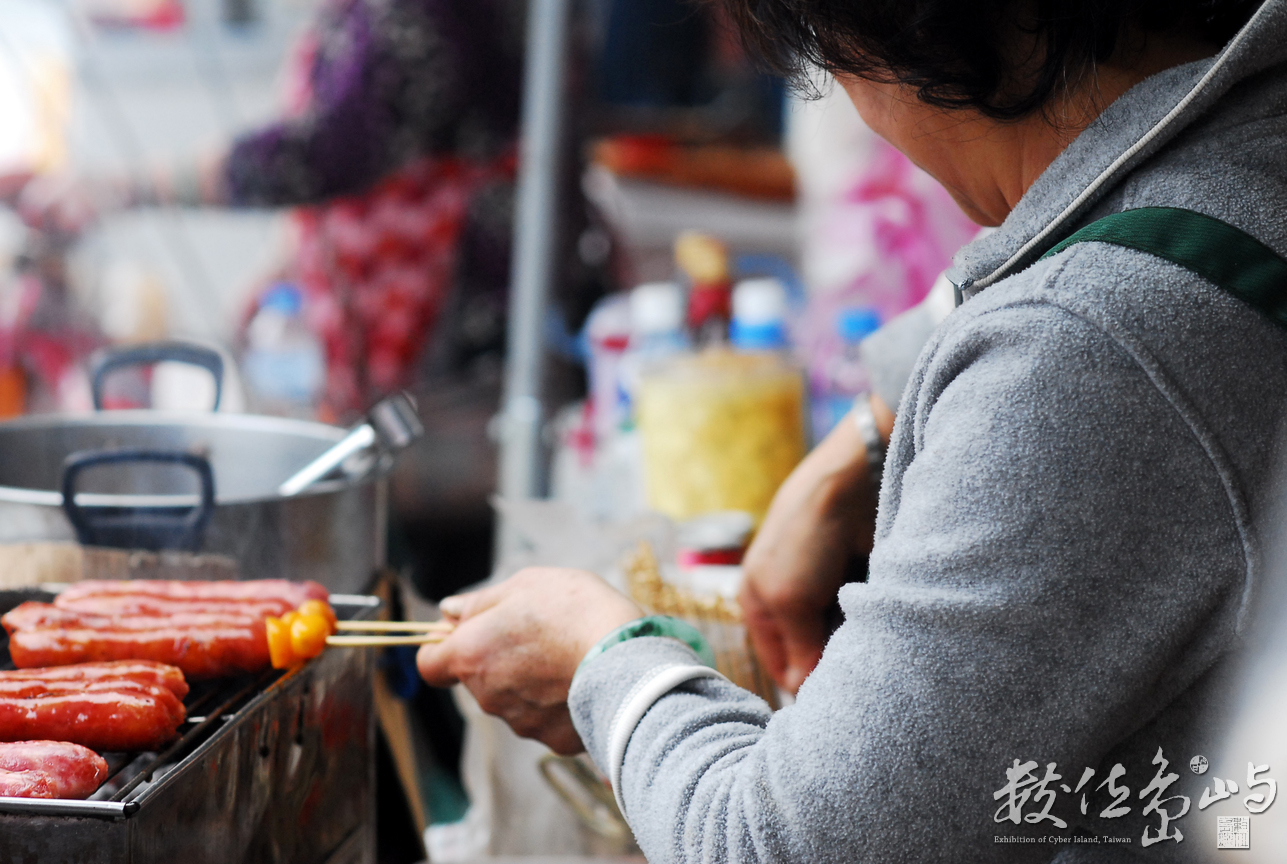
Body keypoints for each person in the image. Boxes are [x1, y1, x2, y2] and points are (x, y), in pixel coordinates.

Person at [417, 0, 1287, 858]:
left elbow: (787, 844)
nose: (863, 113)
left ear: (903, 32)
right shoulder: (1252, 138)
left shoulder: (1092, 348)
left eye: (835, 64)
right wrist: (863, 439)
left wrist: (602, 666)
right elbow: (1069, 249)